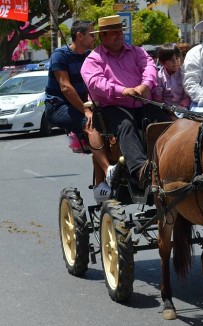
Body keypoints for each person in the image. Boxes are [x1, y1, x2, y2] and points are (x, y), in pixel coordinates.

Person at [81, 15, 172, 189]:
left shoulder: (137, 51)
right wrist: (122, 91)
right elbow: (96, 83)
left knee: (163, 121)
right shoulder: (93, 60)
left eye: (120, 31)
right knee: (126, 126)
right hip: (112, 107)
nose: (119, 35)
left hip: (142, 102)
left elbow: (149, 67)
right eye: (113, 32)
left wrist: (145, 85)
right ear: (103, 37)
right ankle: (140, 171)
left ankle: (171, 162)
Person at [44, 20, 112, 200]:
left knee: (107, 132)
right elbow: (65, 87)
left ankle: (100, 188)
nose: (94, 37)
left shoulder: (90, 55)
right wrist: (86, 111)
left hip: (85, 105)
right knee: (91, 126)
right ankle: (109, 171)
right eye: (91, 34)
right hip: (58, 106)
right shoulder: (60, 56)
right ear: (80, 36)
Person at [152, 43, 191, 114]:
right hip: (165, 109)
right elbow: (158, 99)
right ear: (162, 62)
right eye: (171, 59)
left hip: (183, 108)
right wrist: (167, 109)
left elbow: (188, 95)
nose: (175, 62)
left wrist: (182, 105)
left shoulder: (184, 73)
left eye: (177, 58)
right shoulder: (159, 77)